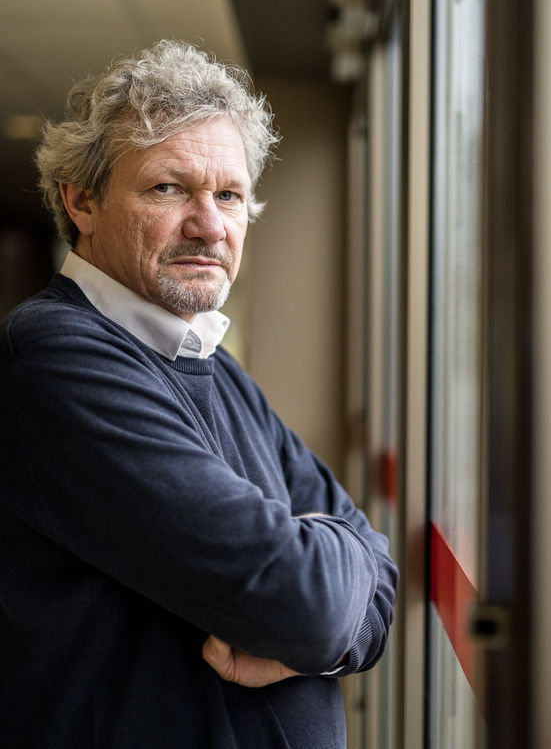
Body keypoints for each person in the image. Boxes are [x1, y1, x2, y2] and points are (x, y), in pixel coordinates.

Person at [0, 40, 398, 748]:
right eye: (168, 188)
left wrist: (334, 615)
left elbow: (376, 574)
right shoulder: (54, 357)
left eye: (229, 196)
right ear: (81, 201)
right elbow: (307, 603)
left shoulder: (213, 365)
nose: (209, 225)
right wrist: (330, 589)